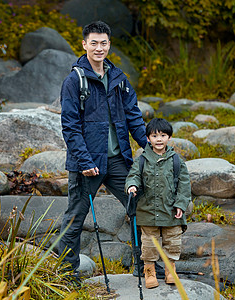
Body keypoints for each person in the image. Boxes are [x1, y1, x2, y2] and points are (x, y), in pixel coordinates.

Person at [58, 20, 147, 279]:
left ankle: (143, 264)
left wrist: (149, 146)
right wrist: (84, 161)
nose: (99, 48)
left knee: (138, 206)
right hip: (87, 164)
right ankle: (66, 273)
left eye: (103, 43)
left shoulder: (119, 79)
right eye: (94, 43)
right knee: (75, 218)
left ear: (109, 44)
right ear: (84, 44)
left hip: (118, 160)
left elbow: (133, 116)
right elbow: (70, 127)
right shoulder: (74, 81)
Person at [125, 118, 191, 288]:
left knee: (173, 242)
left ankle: (170, 271)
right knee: (149, 244)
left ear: (169, 137)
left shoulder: (176, 160)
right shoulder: (142, 160)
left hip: (171, 211)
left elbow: (184, 186)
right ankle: (149, 272)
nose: (159, 139)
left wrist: (180, 205)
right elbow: (134, 175)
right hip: (148, 211)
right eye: (154, 136)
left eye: (163, 135)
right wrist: (132, 185)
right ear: (148, 139)